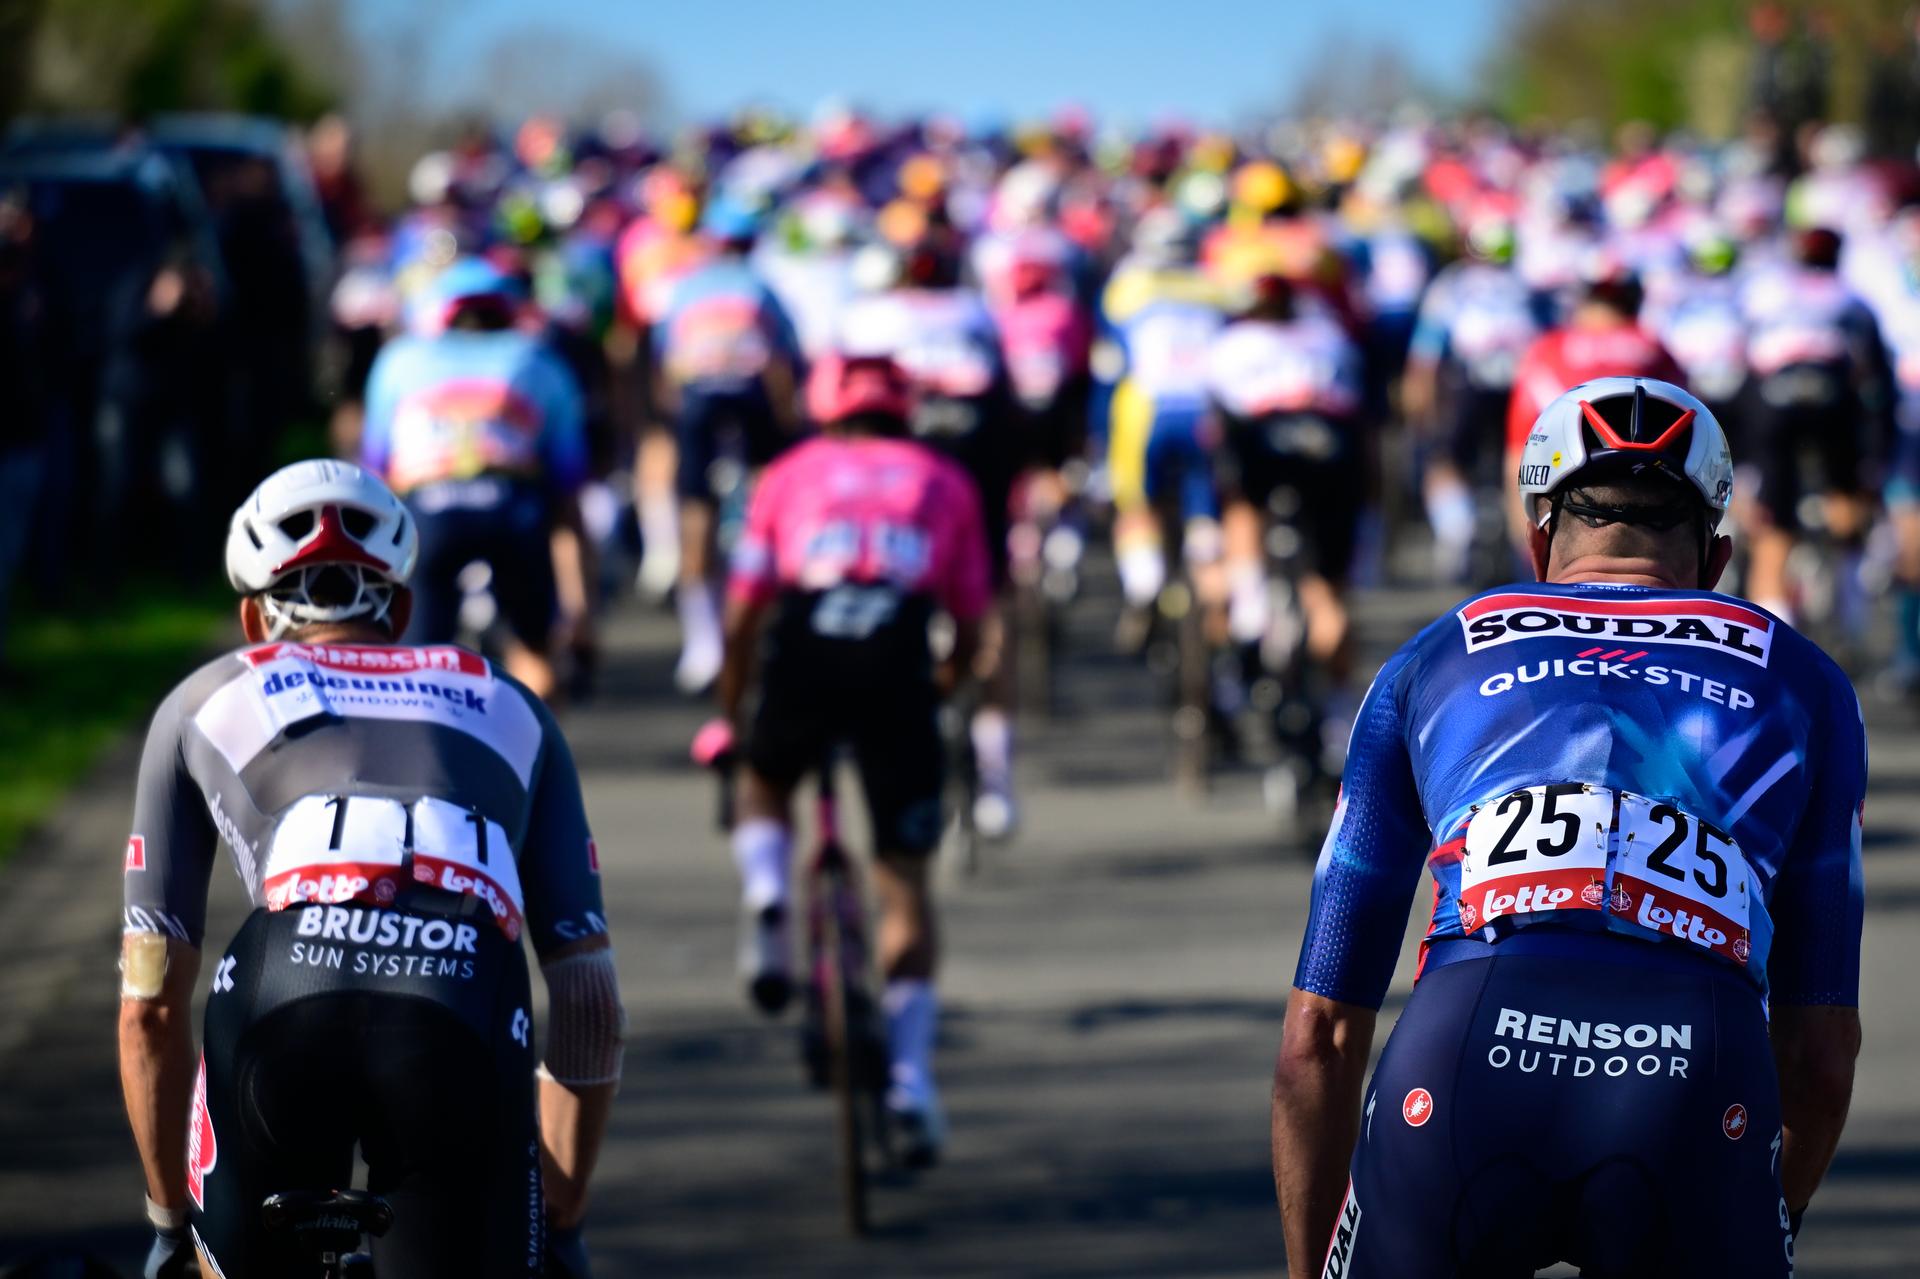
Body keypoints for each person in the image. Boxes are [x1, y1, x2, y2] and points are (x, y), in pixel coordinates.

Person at [1272, 378, 1864, 1277]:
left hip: (1461, 1065)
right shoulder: (1808, 683)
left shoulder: (1431, 658)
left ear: (1539, 537)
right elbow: (1821, 1053)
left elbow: (1318, 1030)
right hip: (1694, 1084)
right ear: (1716, 558)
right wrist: (1747, 1215)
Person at [118, 459, 622, 1278]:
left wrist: (172, 1220)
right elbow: (591, 995)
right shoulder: (513, 705)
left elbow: (150, 1005)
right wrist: (558, 1216)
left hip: (279, 1000)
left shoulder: (201, 697)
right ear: (404, 608)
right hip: (459, 1009)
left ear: (252, 615)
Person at [693, 346, 990, 1166]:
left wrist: (734, 711)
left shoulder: (786, 473)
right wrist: (945, 682)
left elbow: (747, 605)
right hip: (896, 649)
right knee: (904, 885)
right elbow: (970, 617)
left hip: (808, 636)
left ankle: (766, 894)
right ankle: (912, 1081)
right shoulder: (944, 478)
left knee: (765, 778)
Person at [361, 256, 593, 703]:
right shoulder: (537, 359)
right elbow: (567, 486)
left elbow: (376, 466)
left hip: (428, 511)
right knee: (534, 655)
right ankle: (536, 766)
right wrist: (579, 610)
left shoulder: (398, 359)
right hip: (511, 508)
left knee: (416, 670)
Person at [652, 197, 804, 694]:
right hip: (752, 397)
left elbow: (663, 361)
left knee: (695, 509)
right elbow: (786, 356)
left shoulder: (683, 286)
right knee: (769, 493)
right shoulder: (761, 285)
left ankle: (701, 643)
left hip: (697, 400)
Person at [1403, 212, 1544, 583]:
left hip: (1467, 384)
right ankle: (1525, 550)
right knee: (1520, 468)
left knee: (1443, 458)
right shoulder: (1528, 284)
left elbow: (1426, 353)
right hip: (1522, 386)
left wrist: (1421, 406)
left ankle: (1457, 531)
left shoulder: (1452, 284)